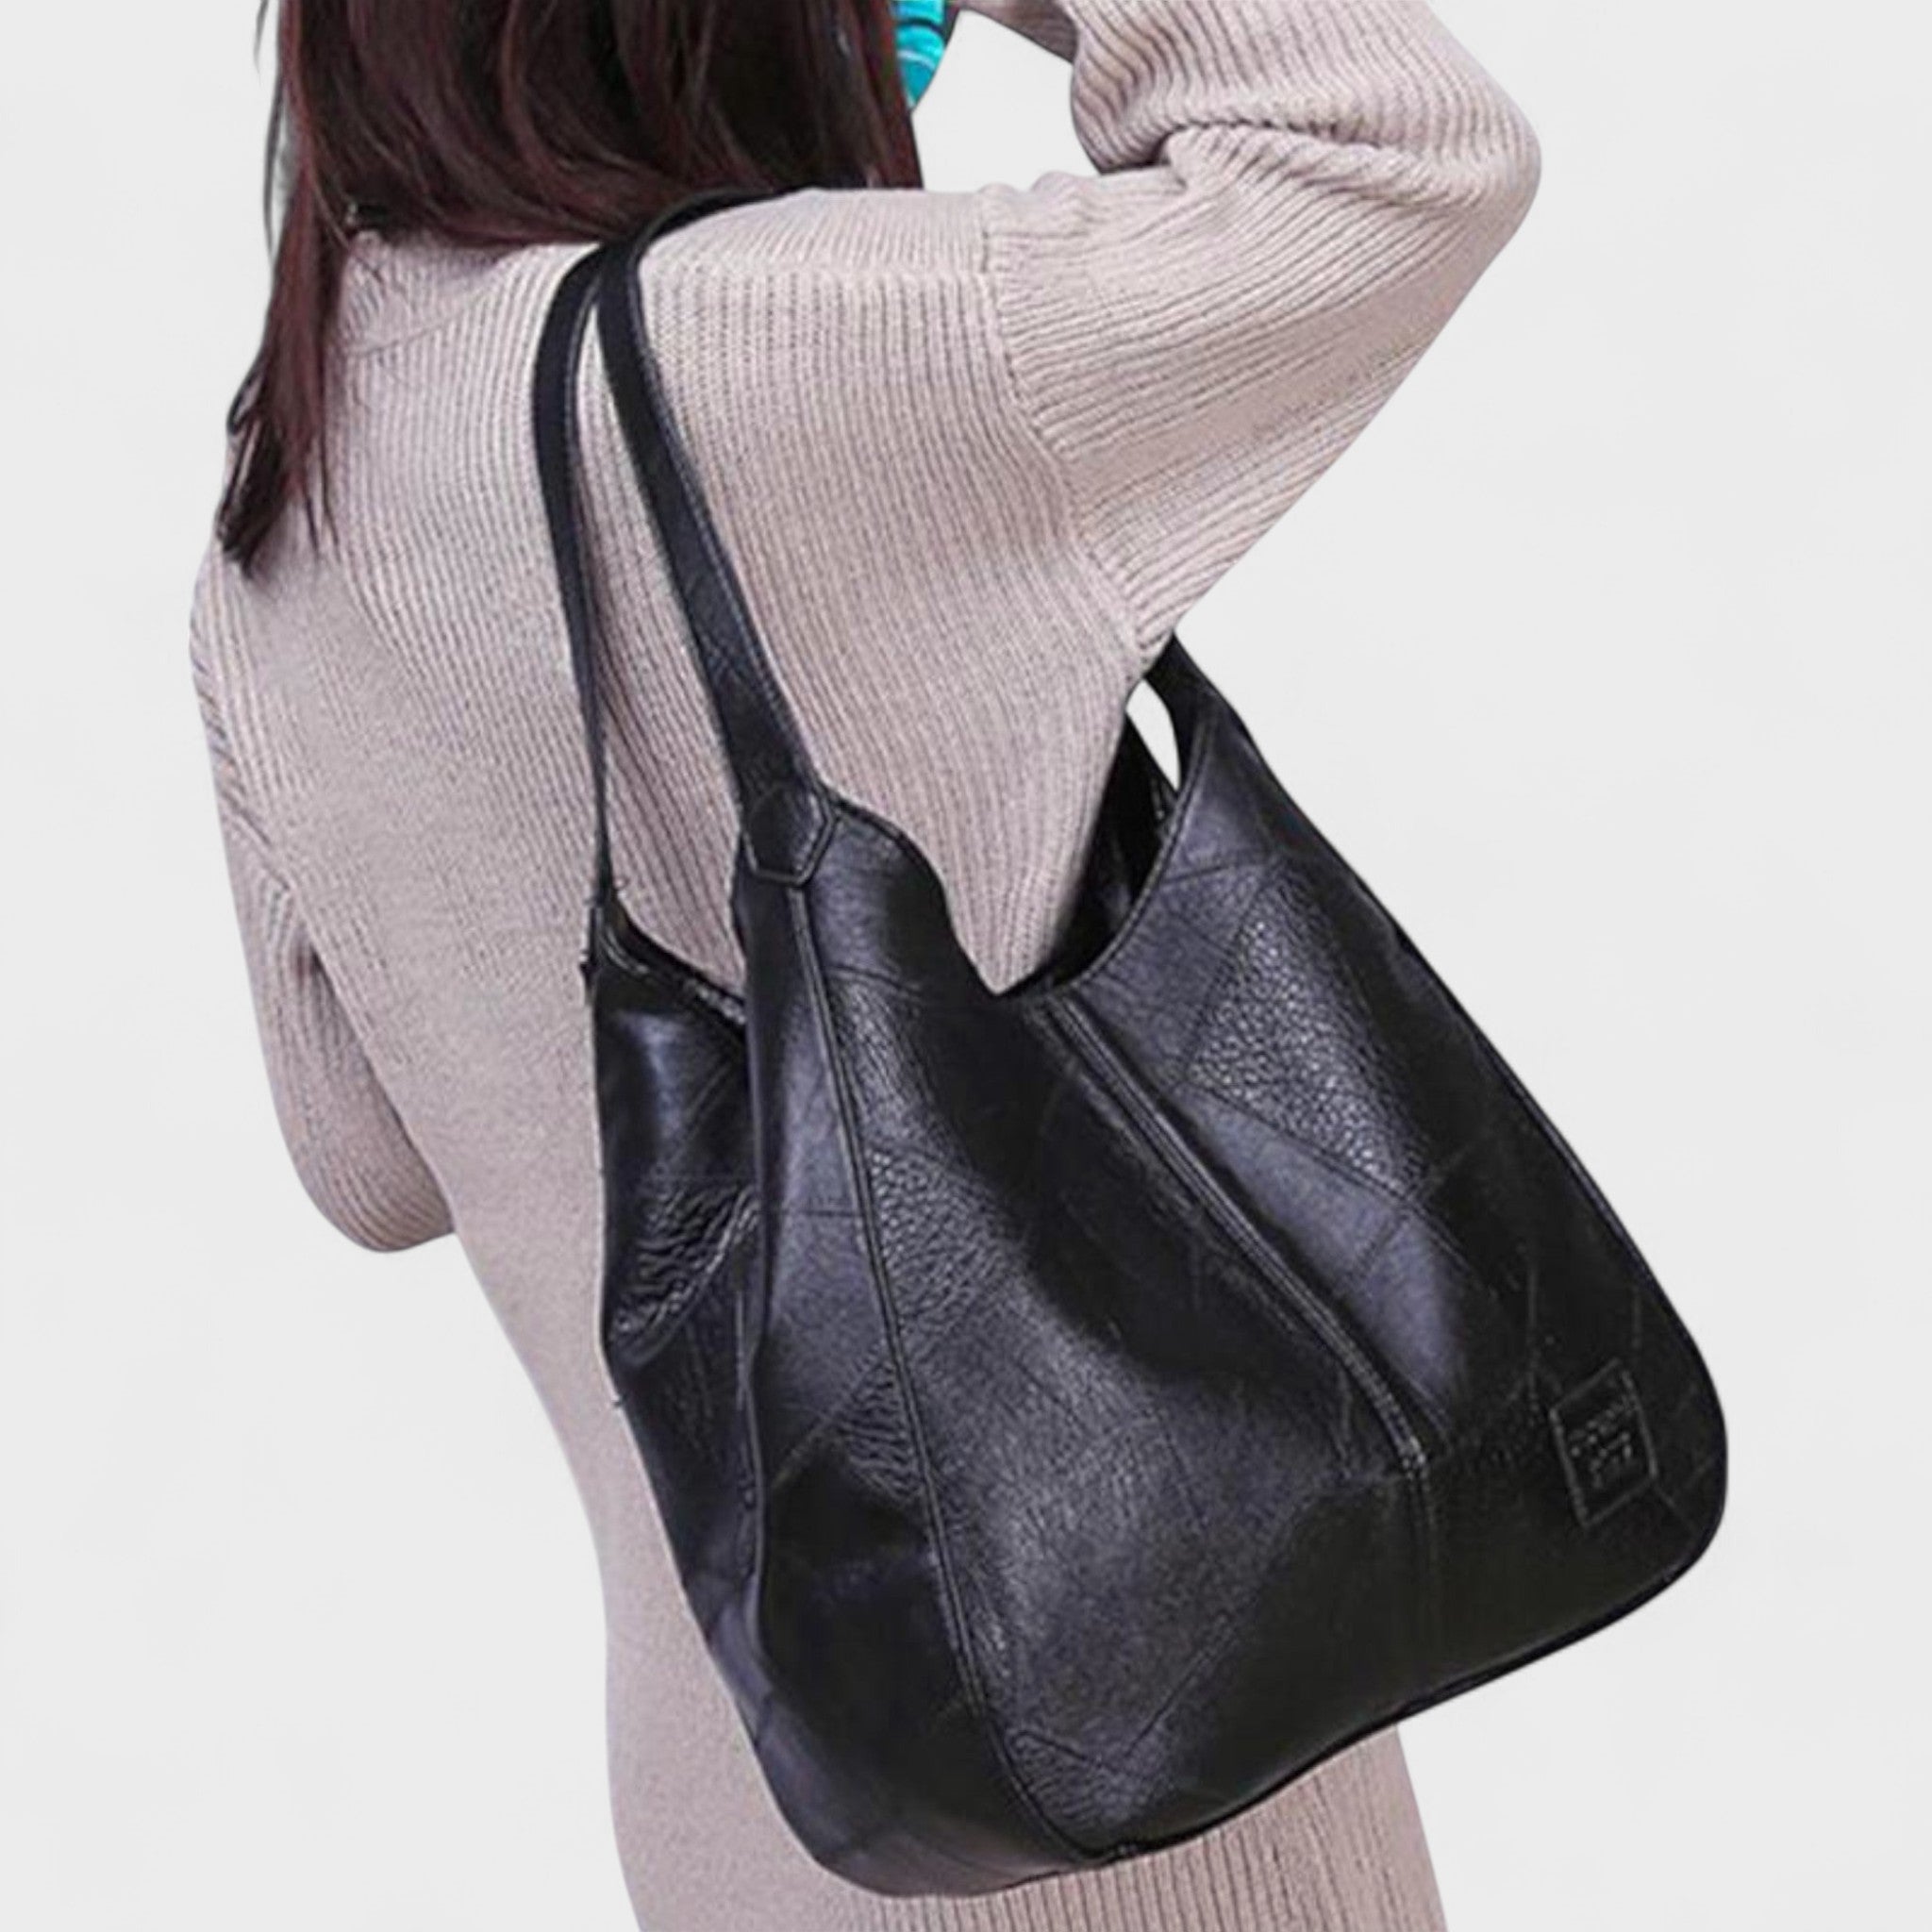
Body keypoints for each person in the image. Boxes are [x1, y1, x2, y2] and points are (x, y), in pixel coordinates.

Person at [188, 1, 1541, 1924]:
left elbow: (368, 1164)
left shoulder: (284, 497)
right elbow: (1399, 144)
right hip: (1144, 1785)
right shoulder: (839, 331)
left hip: (753, 1792)